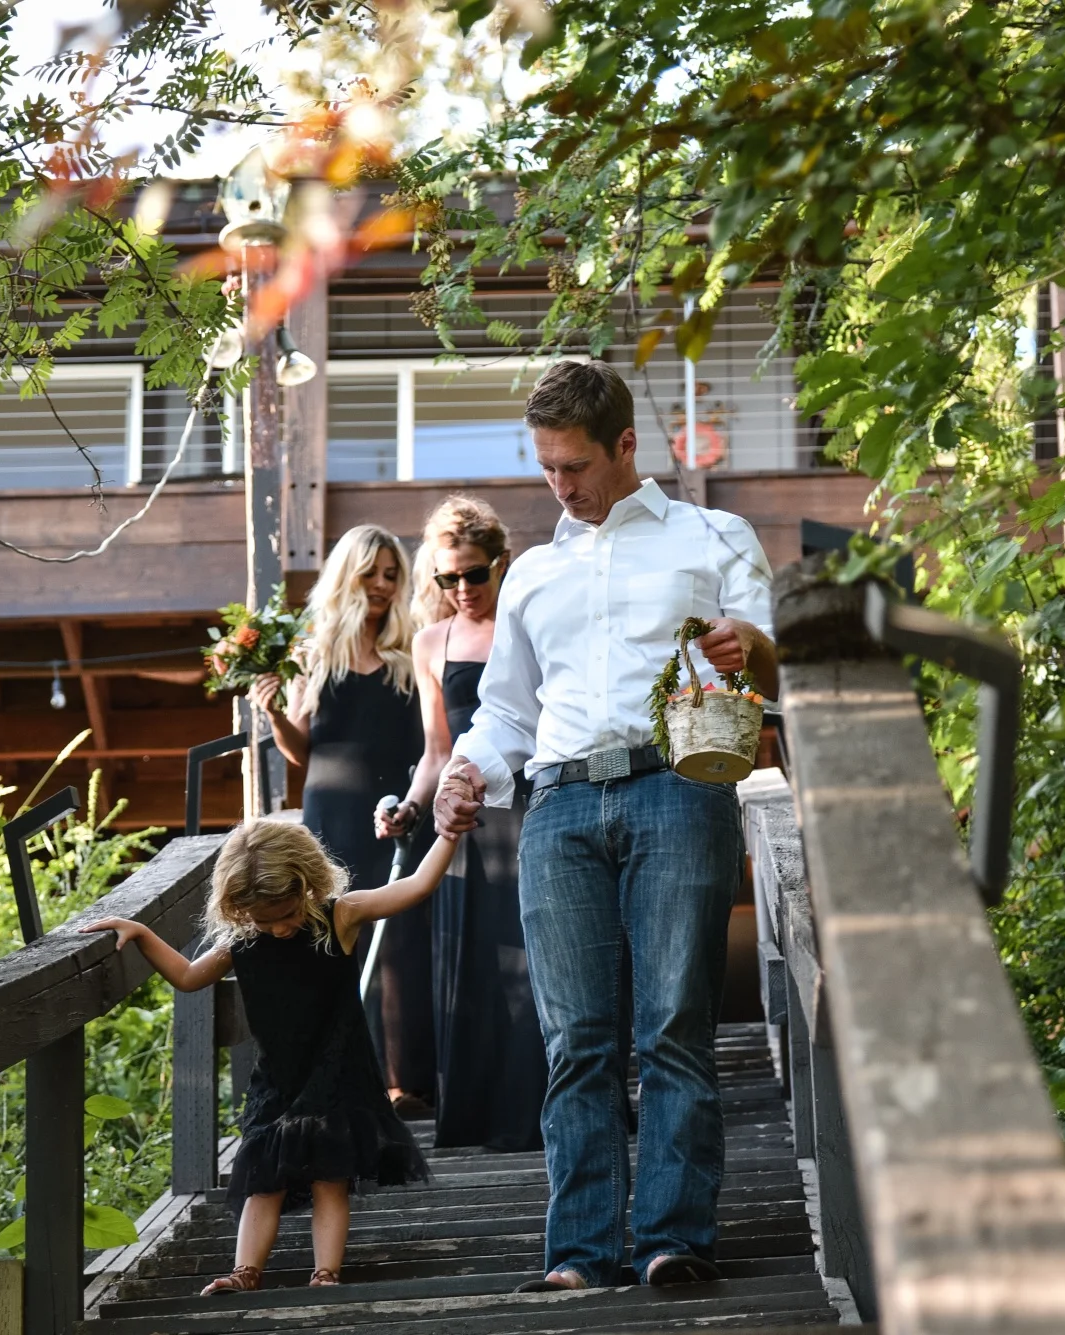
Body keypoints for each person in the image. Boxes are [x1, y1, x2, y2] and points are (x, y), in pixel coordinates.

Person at [433, 360, 778, 1292]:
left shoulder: (713, 535)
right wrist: (466, 769)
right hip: (559, 806)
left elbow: (770, 663)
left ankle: (672, 1239)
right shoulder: (533, 574)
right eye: (546, 467)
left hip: (679, 786)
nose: (560, 485)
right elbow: (507, 712)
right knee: (577, 1039)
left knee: (672, 1026)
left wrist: (750, 648)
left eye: (575, 465)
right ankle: (580, 1251)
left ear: (626, 444)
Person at [83, 819, 456, 1293]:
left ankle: (325, 1274)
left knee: (329, 1178)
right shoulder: (241, 941)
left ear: (307, 885)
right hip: (276, 1080)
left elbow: (416, 886)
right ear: (240, 909)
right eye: (264, 920)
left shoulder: (338, 917)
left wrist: (449, 833)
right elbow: (189, 976)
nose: (279, 928)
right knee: (263, 1178)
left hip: (337, 1073)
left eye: (288, 914)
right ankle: (245, 1272)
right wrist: (141, 933)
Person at [378, 495, 548, 1152]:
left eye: (474, 573)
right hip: (464, 823)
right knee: (476, 966)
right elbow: (437, 750)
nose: (462, 589)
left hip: (532, 807)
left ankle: (549, 1109)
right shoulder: (432, 641)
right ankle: (479, 1114)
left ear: (500, 562)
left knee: (539, 959)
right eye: (448, 578)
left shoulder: (527, 624)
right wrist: (410, 806)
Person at [252, 523, 434, 1111]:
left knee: (402, 944)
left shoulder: (412, 651)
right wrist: (274, 714)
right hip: (331, 813)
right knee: (334, 940)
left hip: (395, 812)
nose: (381, 584)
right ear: (346, 576)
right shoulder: (314, 653)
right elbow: (300, 750)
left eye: (392, 575)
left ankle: (405, 1080)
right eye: (370, 572)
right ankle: (347, 1080)